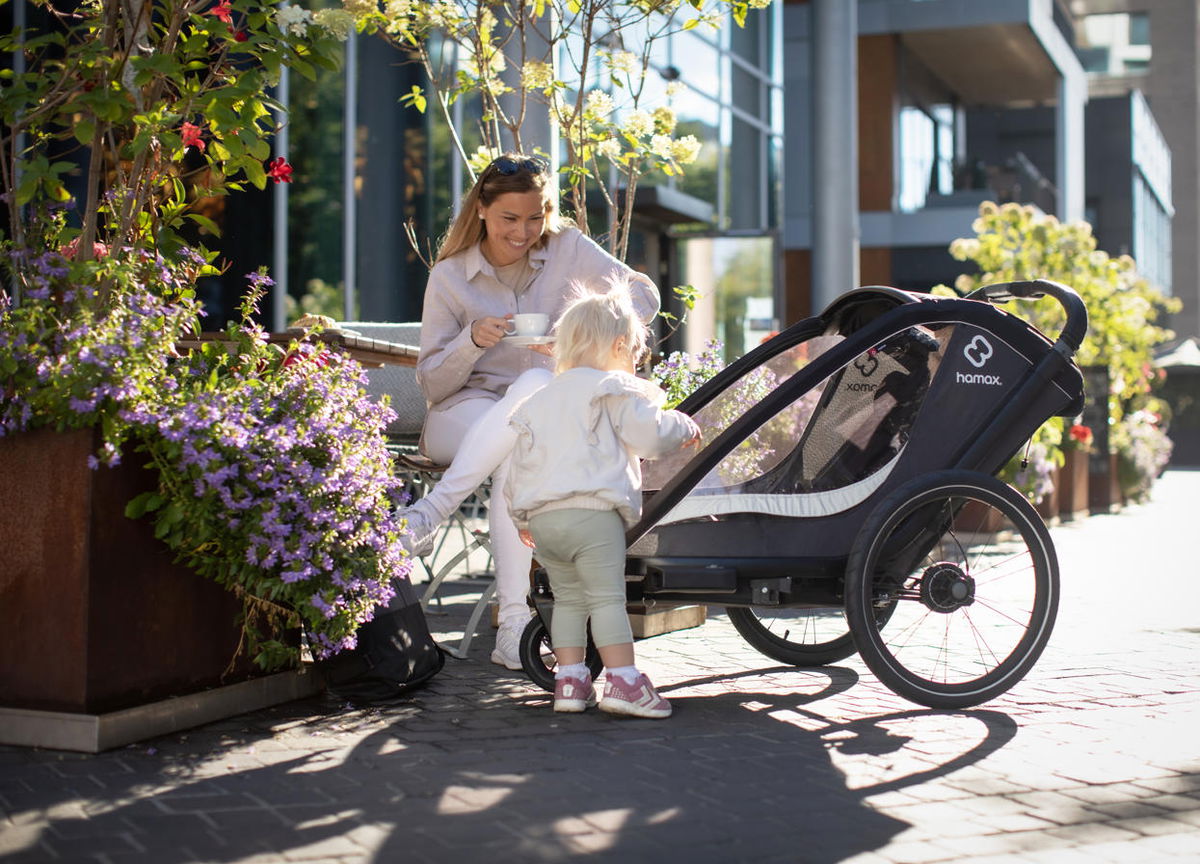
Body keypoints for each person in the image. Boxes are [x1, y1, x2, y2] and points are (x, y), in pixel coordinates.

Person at [403, 152, 660, 671]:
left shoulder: (567, 248)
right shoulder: (451, 276)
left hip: (537, 421)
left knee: (530, 410)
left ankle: (435, 517)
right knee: (529, 415)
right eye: (509, 218)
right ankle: (512, 621)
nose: (523, 232)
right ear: (481, 209)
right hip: (462, 413)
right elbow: (431, 381)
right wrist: (471, 341)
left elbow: (645, 295)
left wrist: (584, 332)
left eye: (535, 217)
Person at [505, 283, 700, 718]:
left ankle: (570, 682)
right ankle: (624, 682)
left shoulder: (540, 400)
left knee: (568, 600)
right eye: (635, 351)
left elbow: (519, 466)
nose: (636, 361)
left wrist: (522, 517)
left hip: (544, 521)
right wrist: (683, 426)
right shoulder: (612, 388)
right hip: (593, 516)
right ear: (618, 345)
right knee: (607, 599)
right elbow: (649, 435)